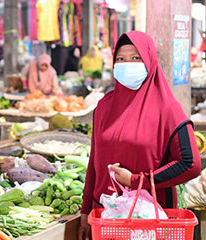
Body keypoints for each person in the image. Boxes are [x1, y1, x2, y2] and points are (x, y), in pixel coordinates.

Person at [78, 31, 201, 240]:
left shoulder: (167, 109)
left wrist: (136, 181)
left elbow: (190, 163)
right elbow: (94, 164)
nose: (127, 64)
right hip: (106, 217)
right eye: (120, 59)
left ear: (149, 61)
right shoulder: (104, 107)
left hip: (151, 216)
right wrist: (85, 212)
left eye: (136, 58)